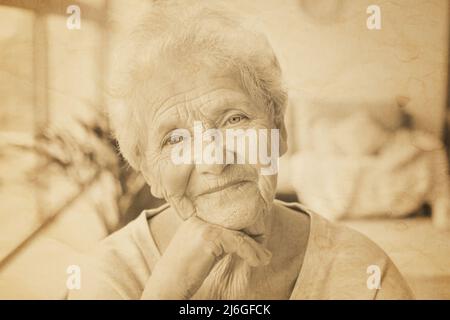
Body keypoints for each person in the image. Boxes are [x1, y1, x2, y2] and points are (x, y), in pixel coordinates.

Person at [68, 0, 413, 300]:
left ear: (279, 130)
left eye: (234, 119)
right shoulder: (106, 279)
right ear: (148, 172)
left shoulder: (366, 276)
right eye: (175, 139)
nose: (214, 161)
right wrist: (166, 291)